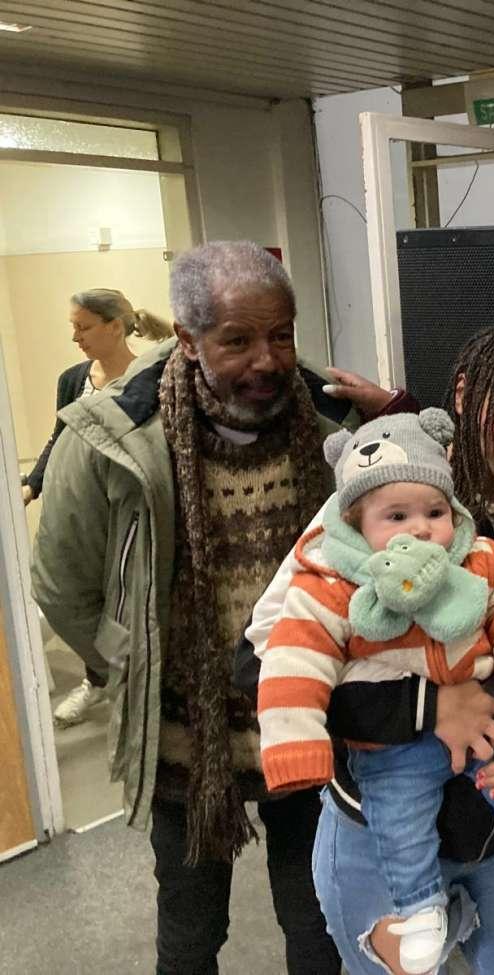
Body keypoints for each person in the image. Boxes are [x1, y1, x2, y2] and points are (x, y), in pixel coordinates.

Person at [29, 240, 400, 974]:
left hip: (312, 721)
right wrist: (139, 663)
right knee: (191, 925)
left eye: (281, 335)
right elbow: (61, 586)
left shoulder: (333, 421)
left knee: (320, 915)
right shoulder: (110, 436)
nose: (267, 360)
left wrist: (393, 416)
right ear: (187, 338)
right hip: (186, 738)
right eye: (237, 341)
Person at [248, 325, 494, 975]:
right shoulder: (377, 496)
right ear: (466, 396)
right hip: (380, 831)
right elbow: (261, 659)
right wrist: (429, 705)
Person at [22, 288, 172, 727]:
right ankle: (100, 677)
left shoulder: (149, 378)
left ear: (115, 326)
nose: (75, 337)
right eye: (73, 327)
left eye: (83, 327)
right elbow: (59, 438)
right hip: (84, 505)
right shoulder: (73, 380)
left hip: (128, 504)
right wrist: (33, 485)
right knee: (73, 593)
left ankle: (139, 686)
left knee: (127, 595)